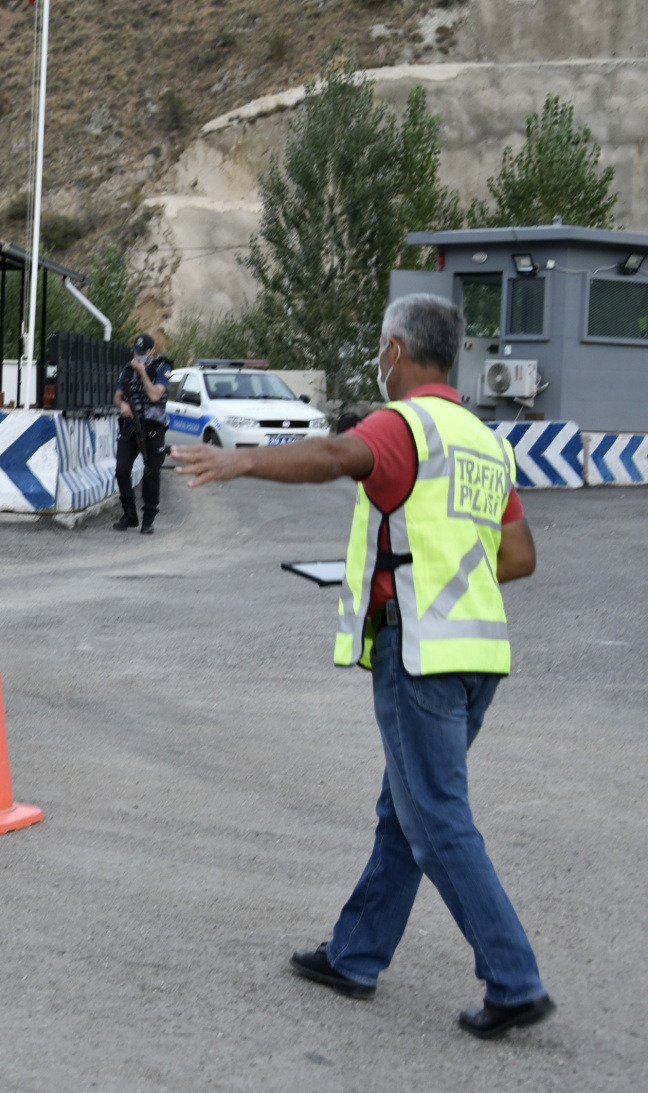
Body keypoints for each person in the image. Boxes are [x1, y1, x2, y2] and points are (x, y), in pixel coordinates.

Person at [171, 293, 553, 1039]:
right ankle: (356, 954)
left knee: (437, 820)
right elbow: (520, 556)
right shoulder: (482, 440)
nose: (381, 361)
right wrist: (448, 578)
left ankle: (515, 978)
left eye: (382, 350)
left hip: (420, 654)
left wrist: (239, 459)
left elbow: (340, 455)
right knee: (405, 813)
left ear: (397, 351)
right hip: (479, 654)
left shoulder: (404, 423)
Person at [113, 332, 173, 533]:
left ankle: (148, 520)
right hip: (130, 427)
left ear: (152, 351)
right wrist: (122, 405)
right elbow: (117, 396)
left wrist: (143, 371)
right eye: (137, 352)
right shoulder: (128, 370)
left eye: (143, 353)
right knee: (122, 470)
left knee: (151, 474)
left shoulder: (162, 368)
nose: (139, 356)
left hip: (153, 429)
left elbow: (155, 395)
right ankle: (129, 513)